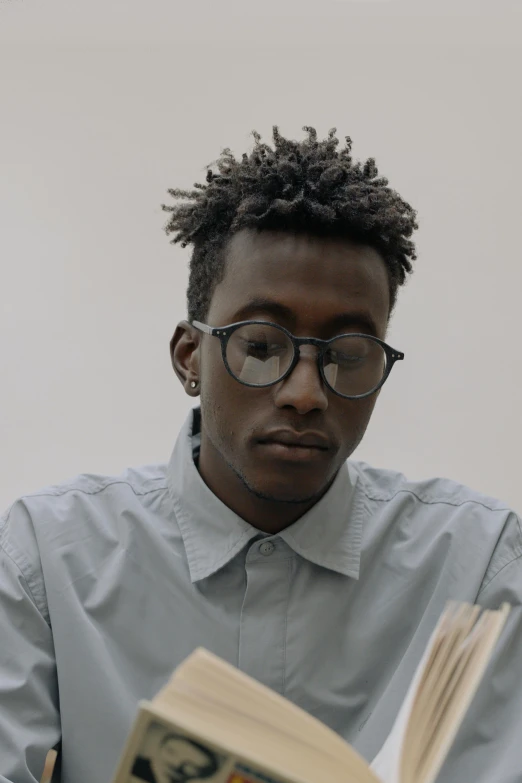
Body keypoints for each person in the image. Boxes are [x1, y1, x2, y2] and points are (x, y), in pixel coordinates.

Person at [1, 126, 521, 783]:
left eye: (348, 354)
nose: (305, 393)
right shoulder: (45, 560)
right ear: (190, 357)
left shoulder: (479, 566)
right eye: (261, 345)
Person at [131, 732, 221, 783]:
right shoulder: (133, 765)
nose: (176, 763)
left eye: (191, 765)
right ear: (160, 747)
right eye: (171, 752)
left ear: (202, 776)